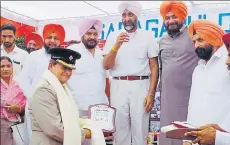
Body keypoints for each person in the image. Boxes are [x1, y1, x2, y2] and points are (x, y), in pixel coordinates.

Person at [103, 1, 159, 145]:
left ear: (137, 16)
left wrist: (151, 94)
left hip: (141, 85)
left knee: (140, 131)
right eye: (124, 15)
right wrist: (116, 46)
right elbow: (106, 65)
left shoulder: (148, 36)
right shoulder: (113, 36)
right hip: (118, 85)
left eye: (130, 15)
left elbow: (154, 67)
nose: (126, 18)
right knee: (120, 131)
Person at [29, 48, 106, 145]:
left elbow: (70, 119)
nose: (68, 72)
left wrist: (88, 124)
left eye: (70, 69)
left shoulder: (61, 88)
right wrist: (86, 133)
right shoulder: (44, 90)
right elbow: (54, 129)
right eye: (64, 68)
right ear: (51, 65)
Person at [183, 19, 230, 145]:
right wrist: (188, 137)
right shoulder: (198, 69)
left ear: (213, 38)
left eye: (200, 40)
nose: (196, 45)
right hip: (198, 138)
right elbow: (193, 106)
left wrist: (229, 133)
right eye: (194, 41)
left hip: (223, 138)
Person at [158, 2, 199, 145]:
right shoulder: (161, 41)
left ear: (183, 16)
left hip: (190, 96)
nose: (170, 21)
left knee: (186, 133)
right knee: (167, 132)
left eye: (174, 17)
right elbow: (160, 68)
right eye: (167, 18)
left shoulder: (194, 36)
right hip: (167, 97)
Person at [18, 23, 66, 145]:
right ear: (44, 38)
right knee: (36, 139)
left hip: (56, 107)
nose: (52, 41)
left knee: (55, 138)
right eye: (49, 37)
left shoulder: (63, 58)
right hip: (35, 106)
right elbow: (24, 80)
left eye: (56, 38)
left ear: (60, 41)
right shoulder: (34, 56)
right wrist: (33, 99)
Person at [67, 19, 110, 145]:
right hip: (78, 109)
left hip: (99, 110)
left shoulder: (102, 54)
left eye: (95, 34)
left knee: (97, 142)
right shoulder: (72, 51)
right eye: (89, 33)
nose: (92, 37)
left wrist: (109, 103)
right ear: (82, 34)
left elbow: (107, 81)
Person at [1, 56, 27, 145]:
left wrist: (19, 109)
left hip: (19, 122)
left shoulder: (20, 82)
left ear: (12, 67)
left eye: (8, 66)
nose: (5, 69)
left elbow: (28, 104)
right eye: (2, 66)